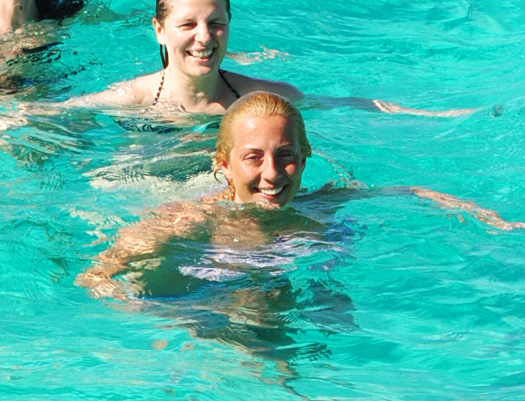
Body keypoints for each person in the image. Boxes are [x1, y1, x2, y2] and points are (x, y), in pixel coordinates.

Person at [79, 90, 522, 298]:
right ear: (223, 165)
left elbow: (413, 191)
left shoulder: (321, 204)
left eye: (286, 155)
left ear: (306, 158)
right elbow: (97, 275)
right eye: (253, 158)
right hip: (203, 315)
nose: (272, 174)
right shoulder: (191, 220)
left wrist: (491, 220)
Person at [48, 0, 473, 120]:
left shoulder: (256, 98)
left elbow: (342, 104)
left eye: (216, 24)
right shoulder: (133, 98)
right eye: (187, 25)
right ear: (158, 29)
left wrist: (434, 115)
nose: (204, 38)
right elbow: (51, 114)